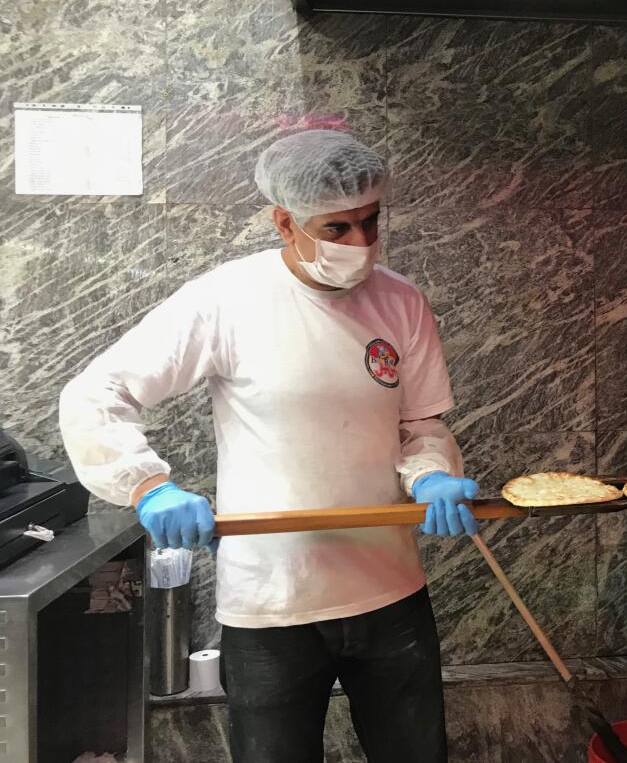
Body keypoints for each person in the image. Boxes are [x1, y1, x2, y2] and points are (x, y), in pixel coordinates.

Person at [59, 129, 476, 762]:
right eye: (336, 229)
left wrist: (431, 475)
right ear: (285, 222)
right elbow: (97, 392)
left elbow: (420, 424)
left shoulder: (402, 302)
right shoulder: (227, 300)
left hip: (390, 590)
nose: (360, 244)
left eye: (370, 222)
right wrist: (148, 484)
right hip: (272, 602)